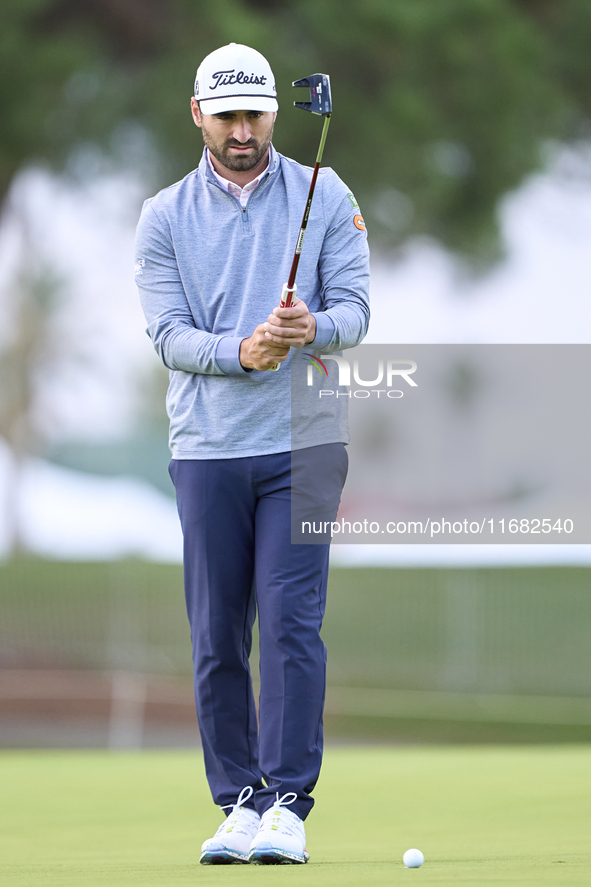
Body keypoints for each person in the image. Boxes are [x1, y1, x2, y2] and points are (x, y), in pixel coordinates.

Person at [135, 42, 369, 865]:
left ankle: (287, 805)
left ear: (275, 111)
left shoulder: (322, 188)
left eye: (256, 113)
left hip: (304, 444)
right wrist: (243, 350)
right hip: (207, 449)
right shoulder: (163, 215)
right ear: (197, 113)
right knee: (215, 632)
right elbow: (167, 334)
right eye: (228, 114)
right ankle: (237, 800)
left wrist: (313, 330)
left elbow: (355, 310)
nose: (243, 130)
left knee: (291, 629)